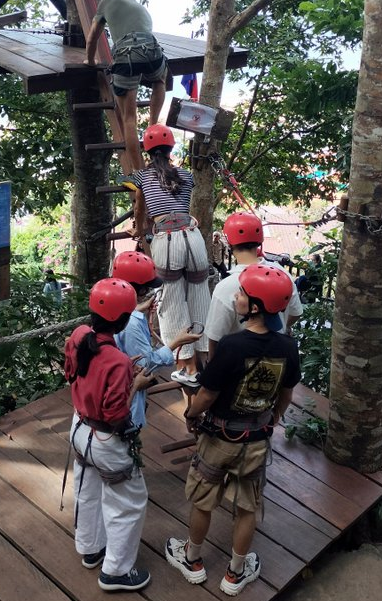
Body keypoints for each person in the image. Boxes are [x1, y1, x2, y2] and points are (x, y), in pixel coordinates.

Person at [164, 265, 300, 595]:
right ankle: (236, 572)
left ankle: (192, 558)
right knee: (247, 505)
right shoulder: (287, 347)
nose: (236, 297)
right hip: (255, 439)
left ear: (255, 307)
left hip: (219, 438)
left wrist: (192, 413)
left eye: (242, 294)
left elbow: (208, 394)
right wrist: (273, 418)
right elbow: (286, 392)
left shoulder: (231, 346)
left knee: (203, 498)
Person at [64, 278, 154, 592]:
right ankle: (115, 571)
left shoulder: (79, 335)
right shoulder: (117, 363)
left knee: (87, 488)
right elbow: (116, 414)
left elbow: (73, 370)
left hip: (79, 429)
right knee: (128, 502)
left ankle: (90, 548)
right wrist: (135, 384)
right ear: (125, 320)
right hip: (106, 439)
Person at [132, 124, 211, 387]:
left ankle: (187, 368)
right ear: (171, 149)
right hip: (193, 236)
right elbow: (180, 204)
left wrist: (138, 227)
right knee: (200, 297)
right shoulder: (186, 175)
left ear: (147, 150)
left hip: (167, 240)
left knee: (171, 302)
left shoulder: (142, 177)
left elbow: (140, 206)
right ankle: (206, 361)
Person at [85, 0, 168, 169]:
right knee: (160, 79)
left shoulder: (106, 2)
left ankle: (140, 173)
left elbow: (93, 36)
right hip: (152, 51)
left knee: (129, 119)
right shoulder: (142, 9)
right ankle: (153, 125)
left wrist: (90, 61)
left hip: (125, 56)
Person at [111, 250, 202, 428]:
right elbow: (145, 364)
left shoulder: (114, 308)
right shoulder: (132, 324)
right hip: (126, 402)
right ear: (142, 289)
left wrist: (138, 308)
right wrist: (177, 342)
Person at [205, 212, 295, 362]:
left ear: (228, 242)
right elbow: (296, 312)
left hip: (235, 366)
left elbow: (214, 338)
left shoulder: (226, 286)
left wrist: (212, 368)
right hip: (276, 363)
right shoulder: (283, 275)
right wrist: (280, 329)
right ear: (260, 240)